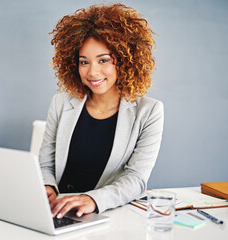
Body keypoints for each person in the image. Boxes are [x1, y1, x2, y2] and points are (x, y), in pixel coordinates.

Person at [39, 3, 164, 219]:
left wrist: (94, 199)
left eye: (103, 60)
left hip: (104, 214)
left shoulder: (150, 111)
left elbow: (136, 178)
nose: (92, 72)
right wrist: (47, 187)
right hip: (58, 211)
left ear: (125, 61)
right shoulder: (61, 102)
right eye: (83, 62)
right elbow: (46, 165)